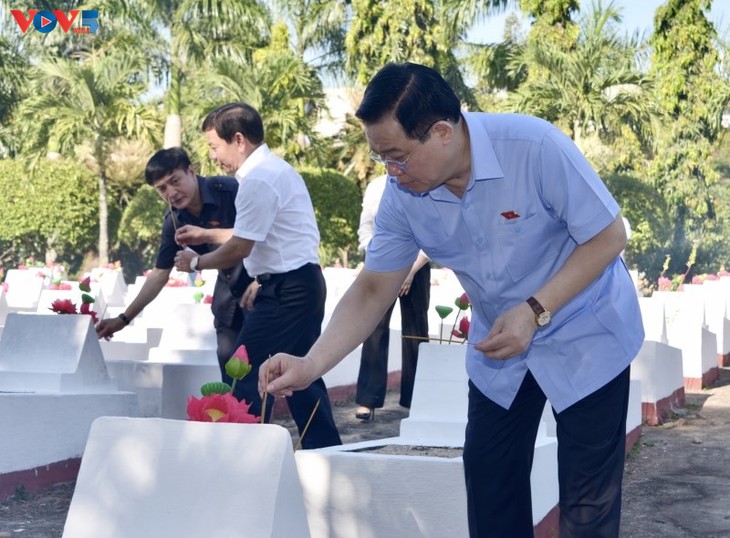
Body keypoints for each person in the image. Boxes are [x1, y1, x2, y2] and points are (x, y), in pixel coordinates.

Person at [259, 62, 644, 537]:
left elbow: (609, 236)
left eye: (397, 156)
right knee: (489, 483)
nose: (391, 173)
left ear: (442, 131)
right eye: (381, 158)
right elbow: (374, 287)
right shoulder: (403, 195)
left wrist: (534, 310)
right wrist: (311, 364)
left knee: (587, 508)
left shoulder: (533, 148)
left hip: (587, 332)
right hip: (501, 347)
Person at [174, 102, 341, 449]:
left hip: (288, 291)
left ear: (238, 139)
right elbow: (254, 236)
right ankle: (327, 453)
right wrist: (255, 276)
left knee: (243, 371)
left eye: (213, 146)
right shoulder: (273, 170)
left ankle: (245, 456)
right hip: (298, 284)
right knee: (302, 376)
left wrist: (195, 263)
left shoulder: (259, 179)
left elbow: (240, 248)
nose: (212, 156)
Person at [96, 147, 254, 385]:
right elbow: (160, 274)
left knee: (280, 372)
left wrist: (207, 236)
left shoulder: (231, 190)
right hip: (228, 298)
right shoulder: (175, 221)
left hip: (262, 285)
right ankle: (243, 422)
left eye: (175, 181)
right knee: (232, 377)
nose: (171, 192)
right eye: (162, 188)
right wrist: (123, 319)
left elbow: (258, 236)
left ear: (191, 171)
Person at [354, 174, 430, 420]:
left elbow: (433, 235)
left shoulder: (426, 180)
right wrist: (375, 256)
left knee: (415, 332)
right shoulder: (377, 186)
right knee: (373, 329)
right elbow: (366, 227)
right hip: (381, 263)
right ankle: (368, 400)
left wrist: (410, 270)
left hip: (417, 266)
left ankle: (415, 399)